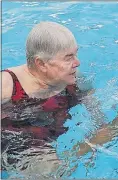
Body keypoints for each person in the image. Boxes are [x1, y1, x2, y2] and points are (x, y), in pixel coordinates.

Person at [1, 21, 105, 178]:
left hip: (46, 143)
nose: (77, 63)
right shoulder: (7, 85)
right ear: (41, 63)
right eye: (68, 58)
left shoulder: (76, 81)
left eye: (76, 54)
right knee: (52, 171)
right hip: (12, 145)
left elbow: (99, 119)